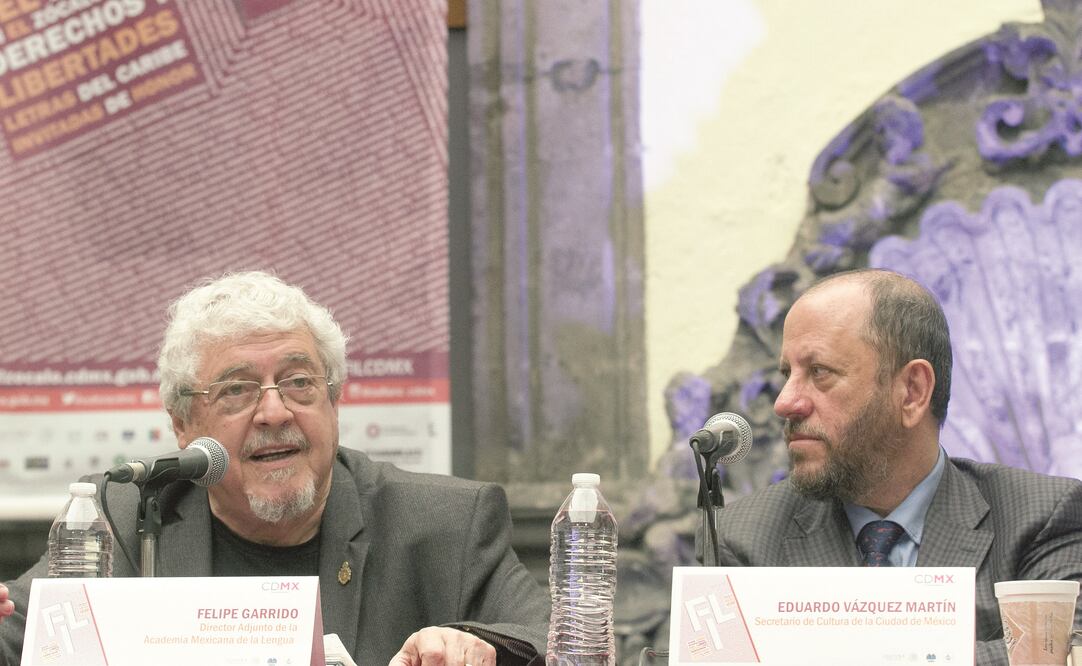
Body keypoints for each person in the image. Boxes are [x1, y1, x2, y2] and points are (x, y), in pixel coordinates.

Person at [0, 271, 549, 666]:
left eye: (299, 382)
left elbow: (557, 638)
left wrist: (480, 645)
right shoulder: (127, 518)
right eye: (237, 390)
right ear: (184, 424)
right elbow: (19, 637)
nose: (275, 412)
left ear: (334, 401)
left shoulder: (444, 523)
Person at [714, 268, 1082, 666]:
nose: (785, 403)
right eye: (788, 374)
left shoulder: (1039, 518)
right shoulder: (744, 537)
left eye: (819, 372)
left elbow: (1061, 654)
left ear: (912, 391)